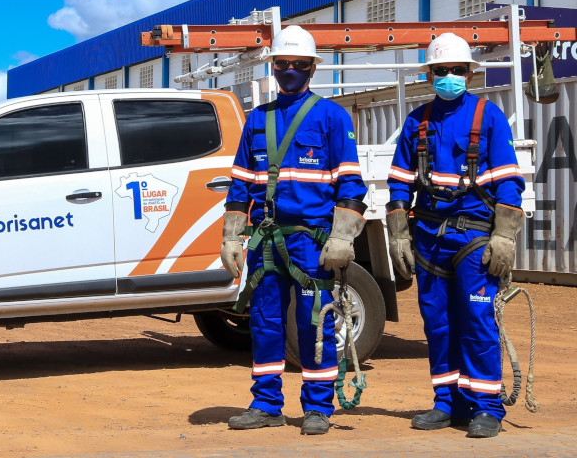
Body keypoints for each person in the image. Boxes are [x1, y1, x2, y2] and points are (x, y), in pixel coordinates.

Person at [221, 25, 368, 435]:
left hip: (312, 242)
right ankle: (266, 404)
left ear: (312, 69)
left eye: (298, 64)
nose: (289, 70)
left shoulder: (332, 117)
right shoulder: (257, 120)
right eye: (282, 63)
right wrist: (232, 236)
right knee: (265, 321)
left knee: (314, 321)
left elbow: (353, 187)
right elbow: (239, 185)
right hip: (267, 240)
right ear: (273, 67)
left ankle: (318, 408)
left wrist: (342, 237)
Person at [386, 32, 525, 438]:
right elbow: (398, 183)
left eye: (457, 70)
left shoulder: (489, 116)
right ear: (430, 74)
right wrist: (398, 235)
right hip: (429, 236)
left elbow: (508, 181)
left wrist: (505, 236)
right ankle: (448, 403)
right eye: (441, 70)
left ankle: (486, 407)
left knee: (477, 320)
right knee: (438, 323)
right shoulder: (417, 120)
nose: (449, 76)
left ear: (469, 73)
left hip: (475, 236)